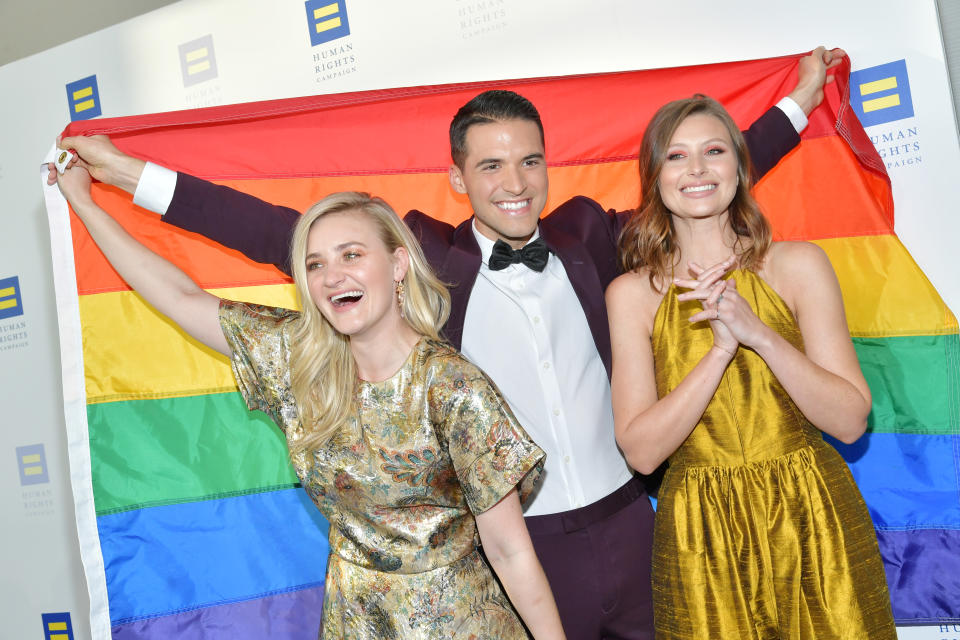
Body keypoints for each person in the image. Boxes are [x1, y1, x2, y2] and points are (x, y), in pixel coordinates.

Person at [51, 47, 844, 639]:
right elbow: (277, 234)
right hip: (522, 551)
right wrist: (127, 176)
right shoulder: (420, 259)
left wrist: (799, 104)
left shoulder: (589, 237)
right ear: (458, 179)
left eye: (530, 161)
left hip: (638, 528)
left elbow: (699, 185)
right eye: (491, 166)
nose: (515, 182)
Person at [54, 168, 567, 639]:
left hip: (461, 623)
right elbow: (181, 297)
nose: (332, 276)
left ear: (397, 264)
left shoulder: (453, 388)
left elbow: (509, 549)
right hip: (354, 621)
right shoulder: (299, 364)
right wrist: (85, 203)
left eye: (351, 255)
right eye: (315, 264)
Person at [605, 94, 897, 638]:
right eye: (675, 156)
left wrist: (757, 333)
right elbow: (641, 451)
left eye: (713, 151)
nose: (696, 169)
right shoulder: (632, 295)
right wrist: (719, 352)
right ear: (655, 177)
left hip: (814, 522)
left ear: (739, 168)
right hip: (700, 538)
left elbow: (851, 420)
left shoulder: (798, 266)